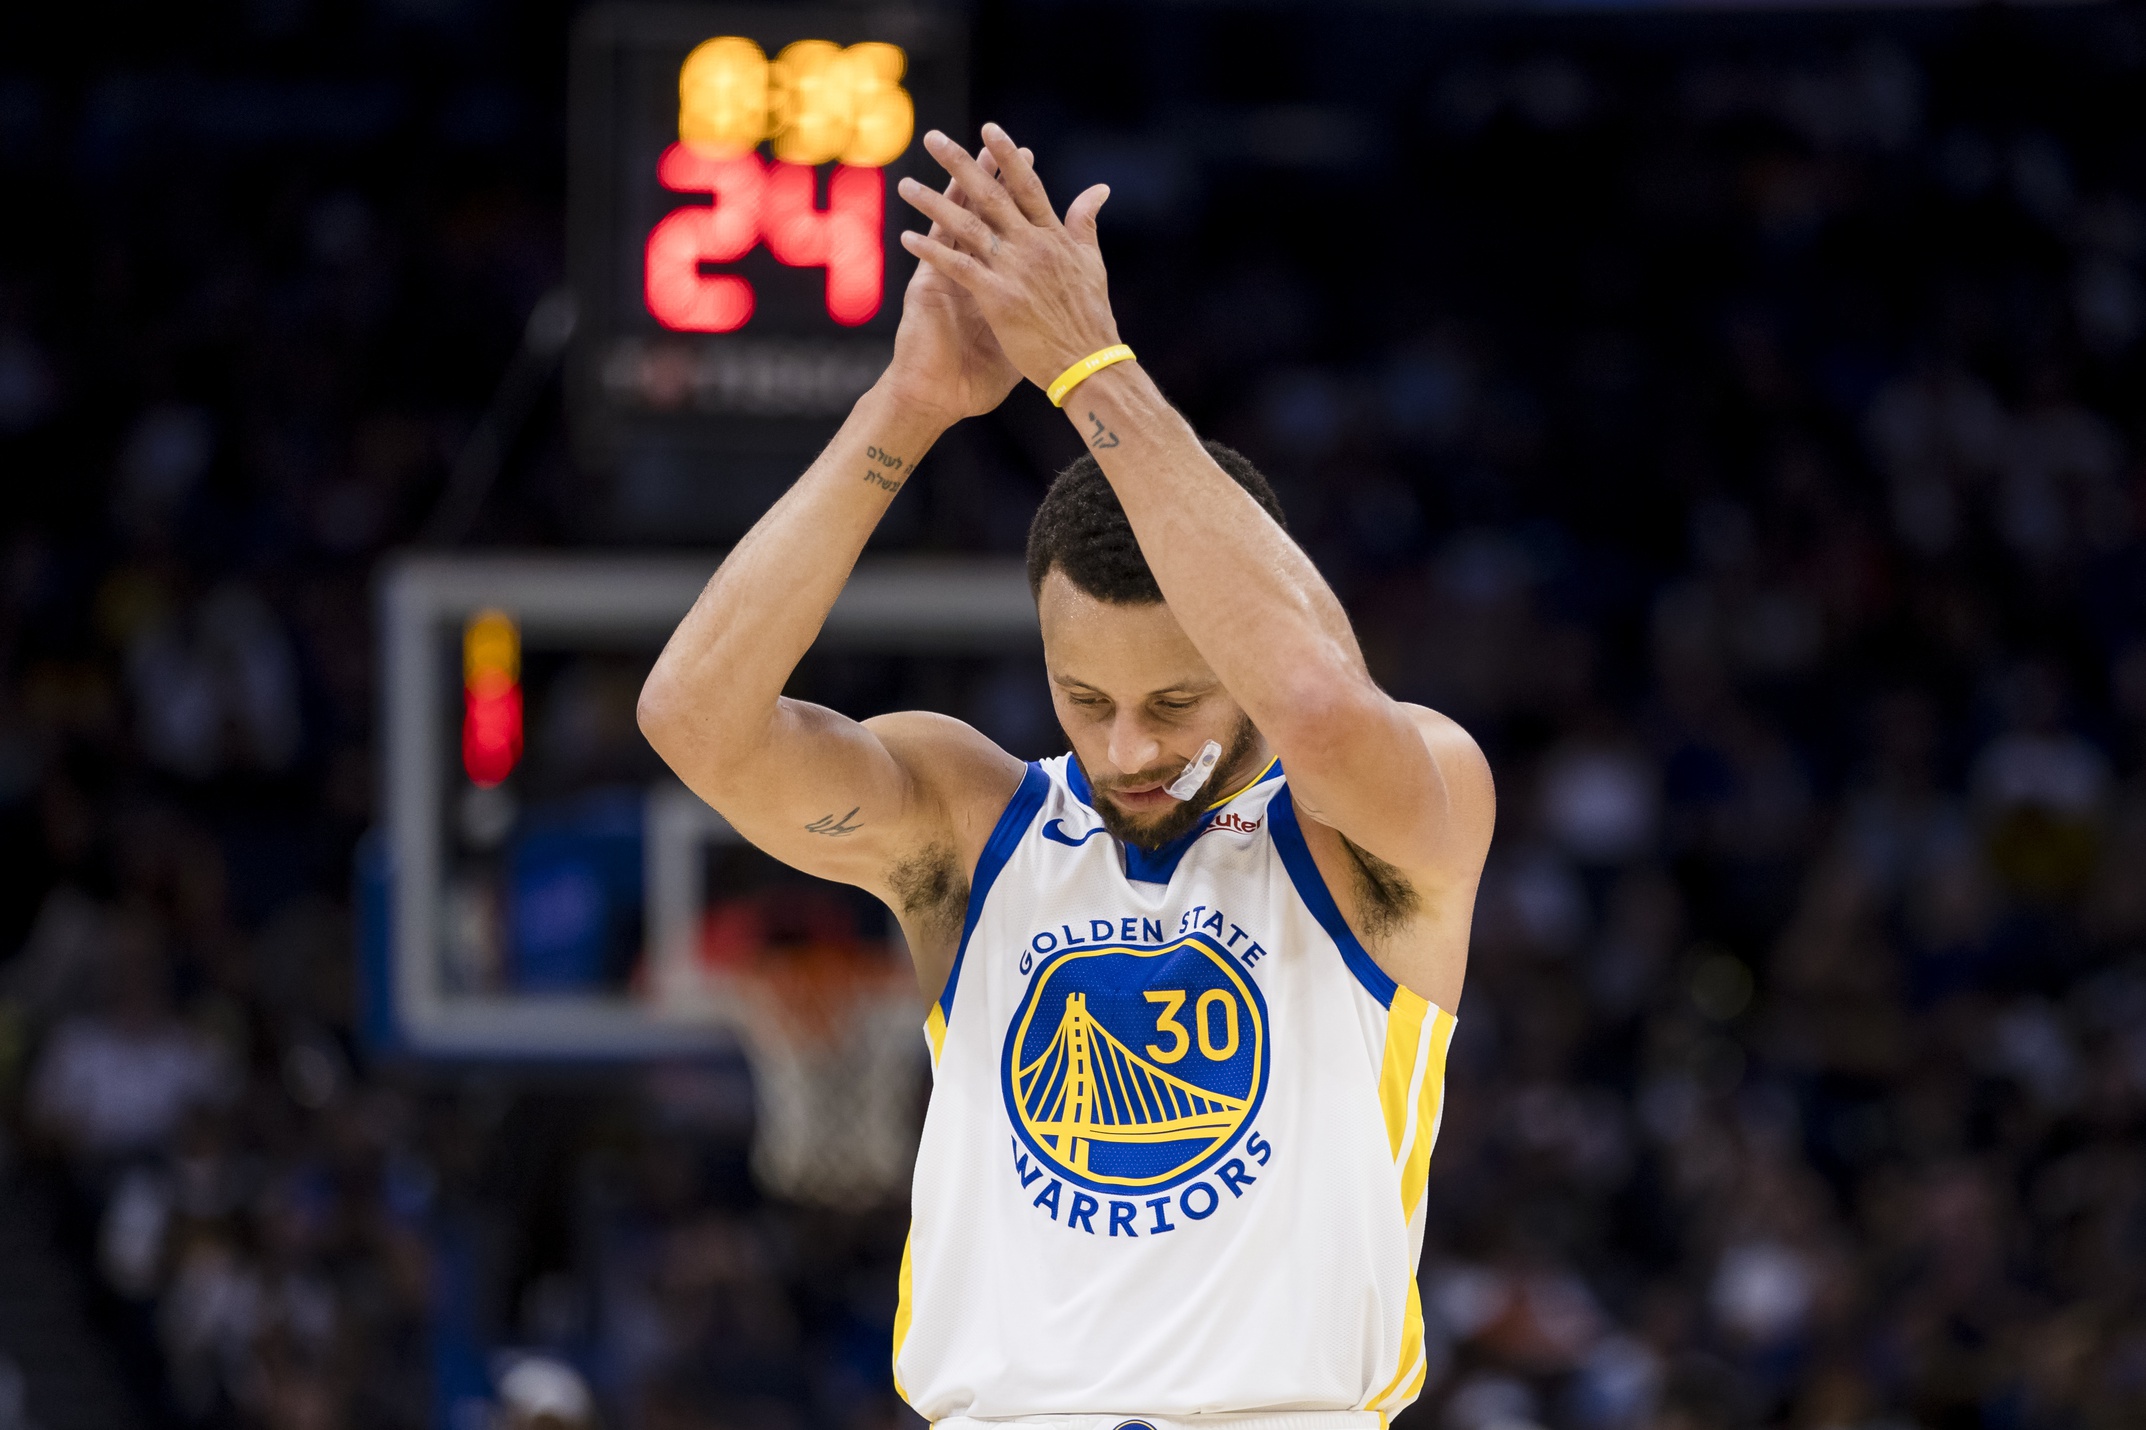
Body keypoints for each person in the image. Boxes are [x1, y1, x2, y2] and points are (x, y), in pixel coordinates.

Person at [637, 125, 1496, 1427]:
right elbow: (694, 717)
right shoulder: (971, 821)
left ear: (1245, 658)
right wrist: (906, 403)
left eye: (1172, 701)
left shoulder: (1395, 813)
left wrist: (1087, 365)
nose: (1125, 746)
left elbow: (1318, 703)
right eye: (1084, 699)